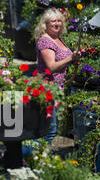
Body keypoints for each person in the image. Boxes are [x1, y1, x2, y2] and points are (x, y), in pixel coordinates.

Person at [34, 8, 81, 144]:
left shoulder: (57, 39)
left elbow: (64, 62)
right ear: (45, 24)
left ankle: (41, 158)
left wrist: (75, 59)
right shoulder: (45, 41)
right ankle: (39, 160)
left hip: (56, 89)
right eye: (53, 21)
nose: (57, 23)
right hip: (47, 89)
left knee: (50, 128)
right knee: (49, 130)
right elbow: (52, 67)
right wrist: (70, 58)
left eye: (59, 21)